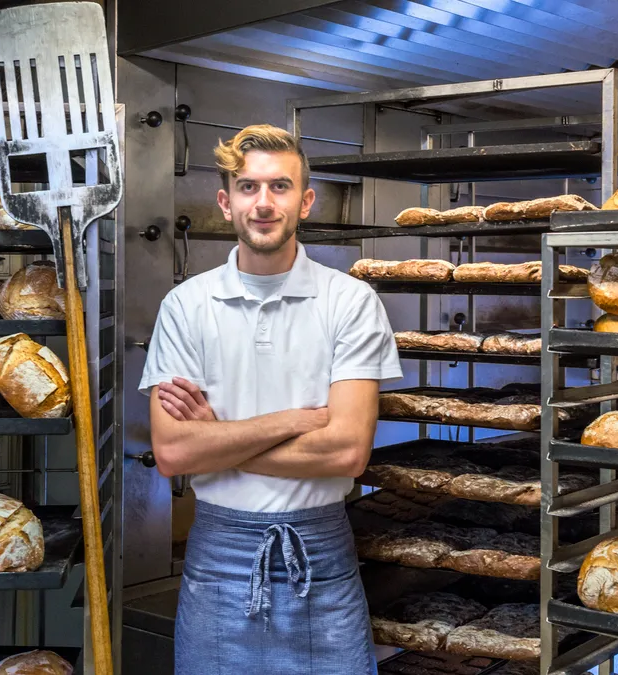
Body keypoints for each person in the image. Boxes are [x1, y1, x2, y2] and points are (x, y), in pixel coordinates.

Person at [138, 124, 401, 674]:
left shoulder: (349, 302)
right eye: (248, 188)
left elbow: (348, 453)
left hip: (320, 552)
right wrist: (296, 420)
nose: (263, 203)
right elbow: (173, 455)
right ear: (225, 201)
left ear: (305, 201)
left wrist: (216, 437)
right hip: (215, 559)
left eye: (280, 187)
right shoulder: (186, 305)